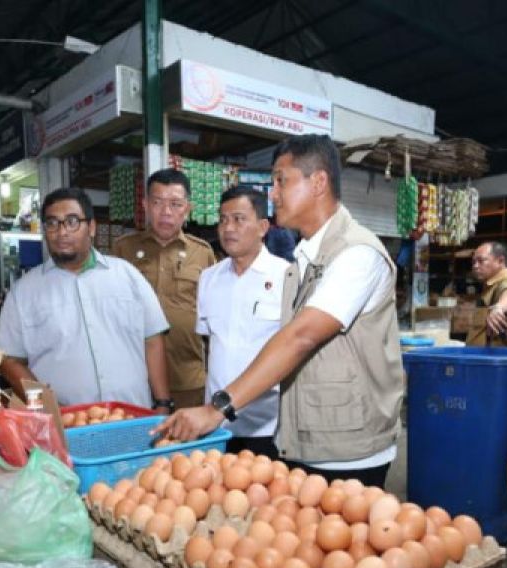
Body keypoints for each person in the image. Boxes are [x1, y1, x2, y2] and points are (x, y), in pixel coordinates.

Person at [156, 134, 404, 487]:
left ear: (318, 182)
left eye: (280, 181)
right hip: (305, 436)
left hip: (348, 445)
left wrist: (216, 409)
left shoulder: (356, 253)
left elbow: (300, 336)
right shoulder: (303, 260)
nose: (272, 193)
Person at [0, 187, 172, 409]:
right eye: (52, 223)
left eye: (71, 222)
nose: (62, 232)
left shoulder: (127, 275)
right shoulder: (23, 293)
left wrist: (163, 402)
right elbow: (10, 359)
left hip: (134, 416)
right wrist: (47, 406)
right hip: (66, 426)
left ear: (91, 227)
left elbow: (153, 340)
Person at [112, 169, 218, 408]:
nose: (166, 212)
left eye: (175, 204)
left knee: (192, 446)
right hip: (135, 378)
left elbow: (214, 319)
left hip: (188, 379)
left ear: (187, 209)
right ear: (145, 205)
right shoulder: (123, 250)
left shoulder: (202, 253)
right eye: (157, 203)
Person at [197, 186, 290, 458]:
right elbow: (208, 343)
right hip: (216, 426)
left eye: (238, 219)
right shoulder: (208, 278)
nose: (228, 228)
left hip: (266, 427)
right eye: (223, 220)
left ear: (262, 227)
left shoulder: (287, 277)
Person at [466, 241, 507, 347]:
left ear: (500, 261)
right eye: (474, 262)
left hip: (500, 361)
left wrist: (499, 308)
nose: (475, 266)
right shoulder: (491, 285)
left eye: (481, 261)